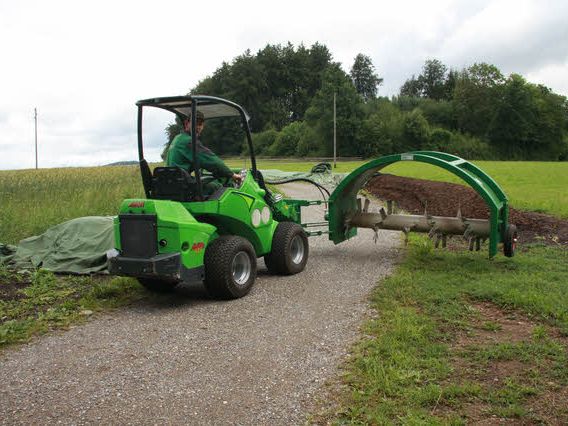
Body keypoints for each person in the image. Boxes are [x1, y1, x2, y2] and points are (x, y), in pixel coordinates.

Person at [165, 110, 242, 195]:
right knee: (218, 188)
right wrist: (232, 175)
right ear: (187, 123)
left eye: (200, 124)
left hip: (174, 184)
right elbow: (212, 161)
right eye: (195, 124)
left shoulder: (178, 138)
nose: (198, 127)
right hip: (183, 186)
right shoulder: (189, 141)